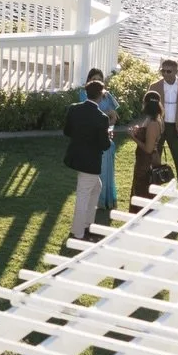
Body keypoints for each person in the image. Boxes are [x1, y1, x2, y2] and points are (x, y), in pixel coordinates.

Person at [63, 77, 114, 241]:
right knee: (84, 195)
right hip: (90, 162)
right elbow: (104, 145)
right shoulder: (102, 118)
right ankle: (78, 232)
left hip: (76, 157)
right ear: (100, 96)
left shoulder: (73, 109)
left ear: (86, 93)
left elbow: (67, 131)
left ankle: (87, 225)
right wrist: (108, 136)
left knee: (96, 188)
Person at [148, 58, 178, 189]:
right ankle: (153, 187)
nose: (165, 74)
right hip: (159, 127)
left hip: (176, 128)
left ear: (176, 71)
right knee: (154, 157)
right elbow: (148, 108)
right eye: (162, 71)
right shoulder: (154, 87)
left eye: (168, 71)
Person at [80, 65, 120, 215]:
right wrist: (107, 113)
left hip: (107, 138)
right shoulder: (84, 95)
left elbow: (114, 118)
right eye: (94, 79)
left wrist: (110, 119)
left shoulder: (107, 96)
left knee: (108, 170)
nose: (97, 82)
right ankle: (95, 201)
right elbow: (89, 114)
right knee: (97, 172)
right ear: (89, 81)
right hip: (92, 139)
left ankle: (107, 201)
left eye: (99, 79)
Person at [129, 91, 167, 204]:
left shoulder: (153, 123)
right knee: (138, 190)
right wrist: (138, 131)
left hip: (147, 164)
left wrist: (133, 137)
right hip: (142, 161)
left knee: (142, 193)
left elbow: (148, 149)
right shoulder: (151, 119)